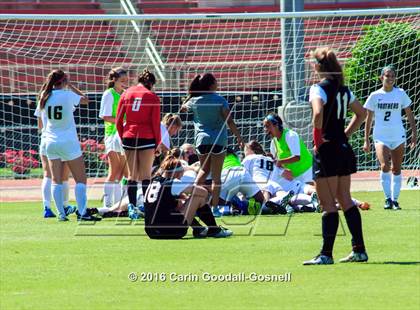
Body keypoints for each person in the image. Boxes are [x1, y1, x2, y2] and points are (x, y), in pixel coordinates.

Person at [304, 47, 367, 265]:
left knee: (327, 203)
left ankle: (325, 254)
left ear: (318, 66)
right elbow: (362, 113)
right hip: (342, 149)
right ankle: (359, 250)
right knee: (345, 199)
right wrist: (345, 135)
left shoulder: (317, 89)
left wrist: (318, 140)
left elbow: (318, 113)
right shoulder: (343, 89)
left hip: (328, 150)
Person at [39, 69, 100, 221]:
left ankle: (61, 214)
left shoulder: (45, 95)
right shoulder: (67, 95)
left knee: (55, 179)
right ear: (64, 80)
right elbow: (86, 100)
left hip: (50, 142)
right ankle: (83, 212)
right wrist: (71, 86)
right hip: (68, 141)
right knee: (81, 179)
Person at [181, 73, 244, 213]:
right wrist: (239, 137)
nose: (217, 82)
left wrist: (191, 96)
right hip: (218, 140)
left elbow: (183, 108)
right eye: (215, 81)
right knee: (216, 176)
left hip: (201, 141)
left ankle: (192, 202)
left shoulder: (194, 101)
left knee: (203, 171)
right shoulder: (220, 100)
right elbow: (229, 121)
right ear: (211, 85)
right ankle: (215, 208)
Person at [363, 65, 417, 210]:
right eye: (388, 75)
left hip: (398, 135)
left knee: (397, 169)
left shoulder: (400, 93)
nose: (391, 78)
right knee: (384, 166)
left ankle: (395, 200)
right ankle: (387, 199)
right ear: (382, 77)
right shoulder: (374, 96)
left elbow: (409, 114)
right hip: (381, 136)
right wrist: (366, 139)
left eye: (393, 76)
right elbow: (368, 119)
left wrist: (414, 133)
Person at [144, 155, 233, 239]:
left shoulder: (154, 182)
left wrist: (183, 199)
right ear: (177, 173)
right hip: (170, 231)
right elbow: (203, 193)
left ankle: (199, 229)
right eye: (181, 174)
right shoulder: (173, 183)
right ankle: (214, 229)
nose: (181, 177)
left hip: (151, 232)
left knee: (181, 202)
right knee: (198, 198)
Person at [116, 69, 161, 218]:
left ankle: (132, 207)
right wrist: (158, 143)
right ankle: (148, 209)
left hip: (129, 136)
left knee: (132, 175)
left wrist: (123, 137)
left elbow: (118, 120)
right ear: (151, 84)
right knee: (146, 176)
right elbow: (155, 123)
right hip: (146, 138)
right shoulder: (152, 97)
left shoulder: (126, 93)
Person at [35, 106, 76, 218]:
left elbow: (40, 126)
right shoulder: (63, 96)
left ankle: (47, 208)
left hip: (46, 140)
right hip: (62, 139)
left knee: (47, 175)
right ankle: (65, 205)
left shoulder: (43, 97)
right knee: (64, 177)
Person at [99, 67, 129, 208]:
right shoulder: (108, 94)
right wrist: (121, 121)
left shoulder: (125, 94)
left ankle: (121, 205)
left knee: (125, 171)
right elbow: (105, 116)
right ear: (114, 80)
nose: (124, 83)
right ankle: (108, 204)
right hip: (112, 135)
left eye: (126, 80)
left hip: (123, 135)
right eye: (122, 80)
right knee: (114, 170)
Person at [263, 113, 313, 186]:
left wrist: (280, 162)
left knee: (314, 194)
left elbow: (297, 157)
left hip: (307, 172)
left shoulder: (290, 135)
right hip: (294, 177)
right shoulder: (273, 142)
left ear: (276, 125)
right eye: (264, 127)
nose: (265, 130)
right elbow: (276, 161)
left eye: (267, 126)